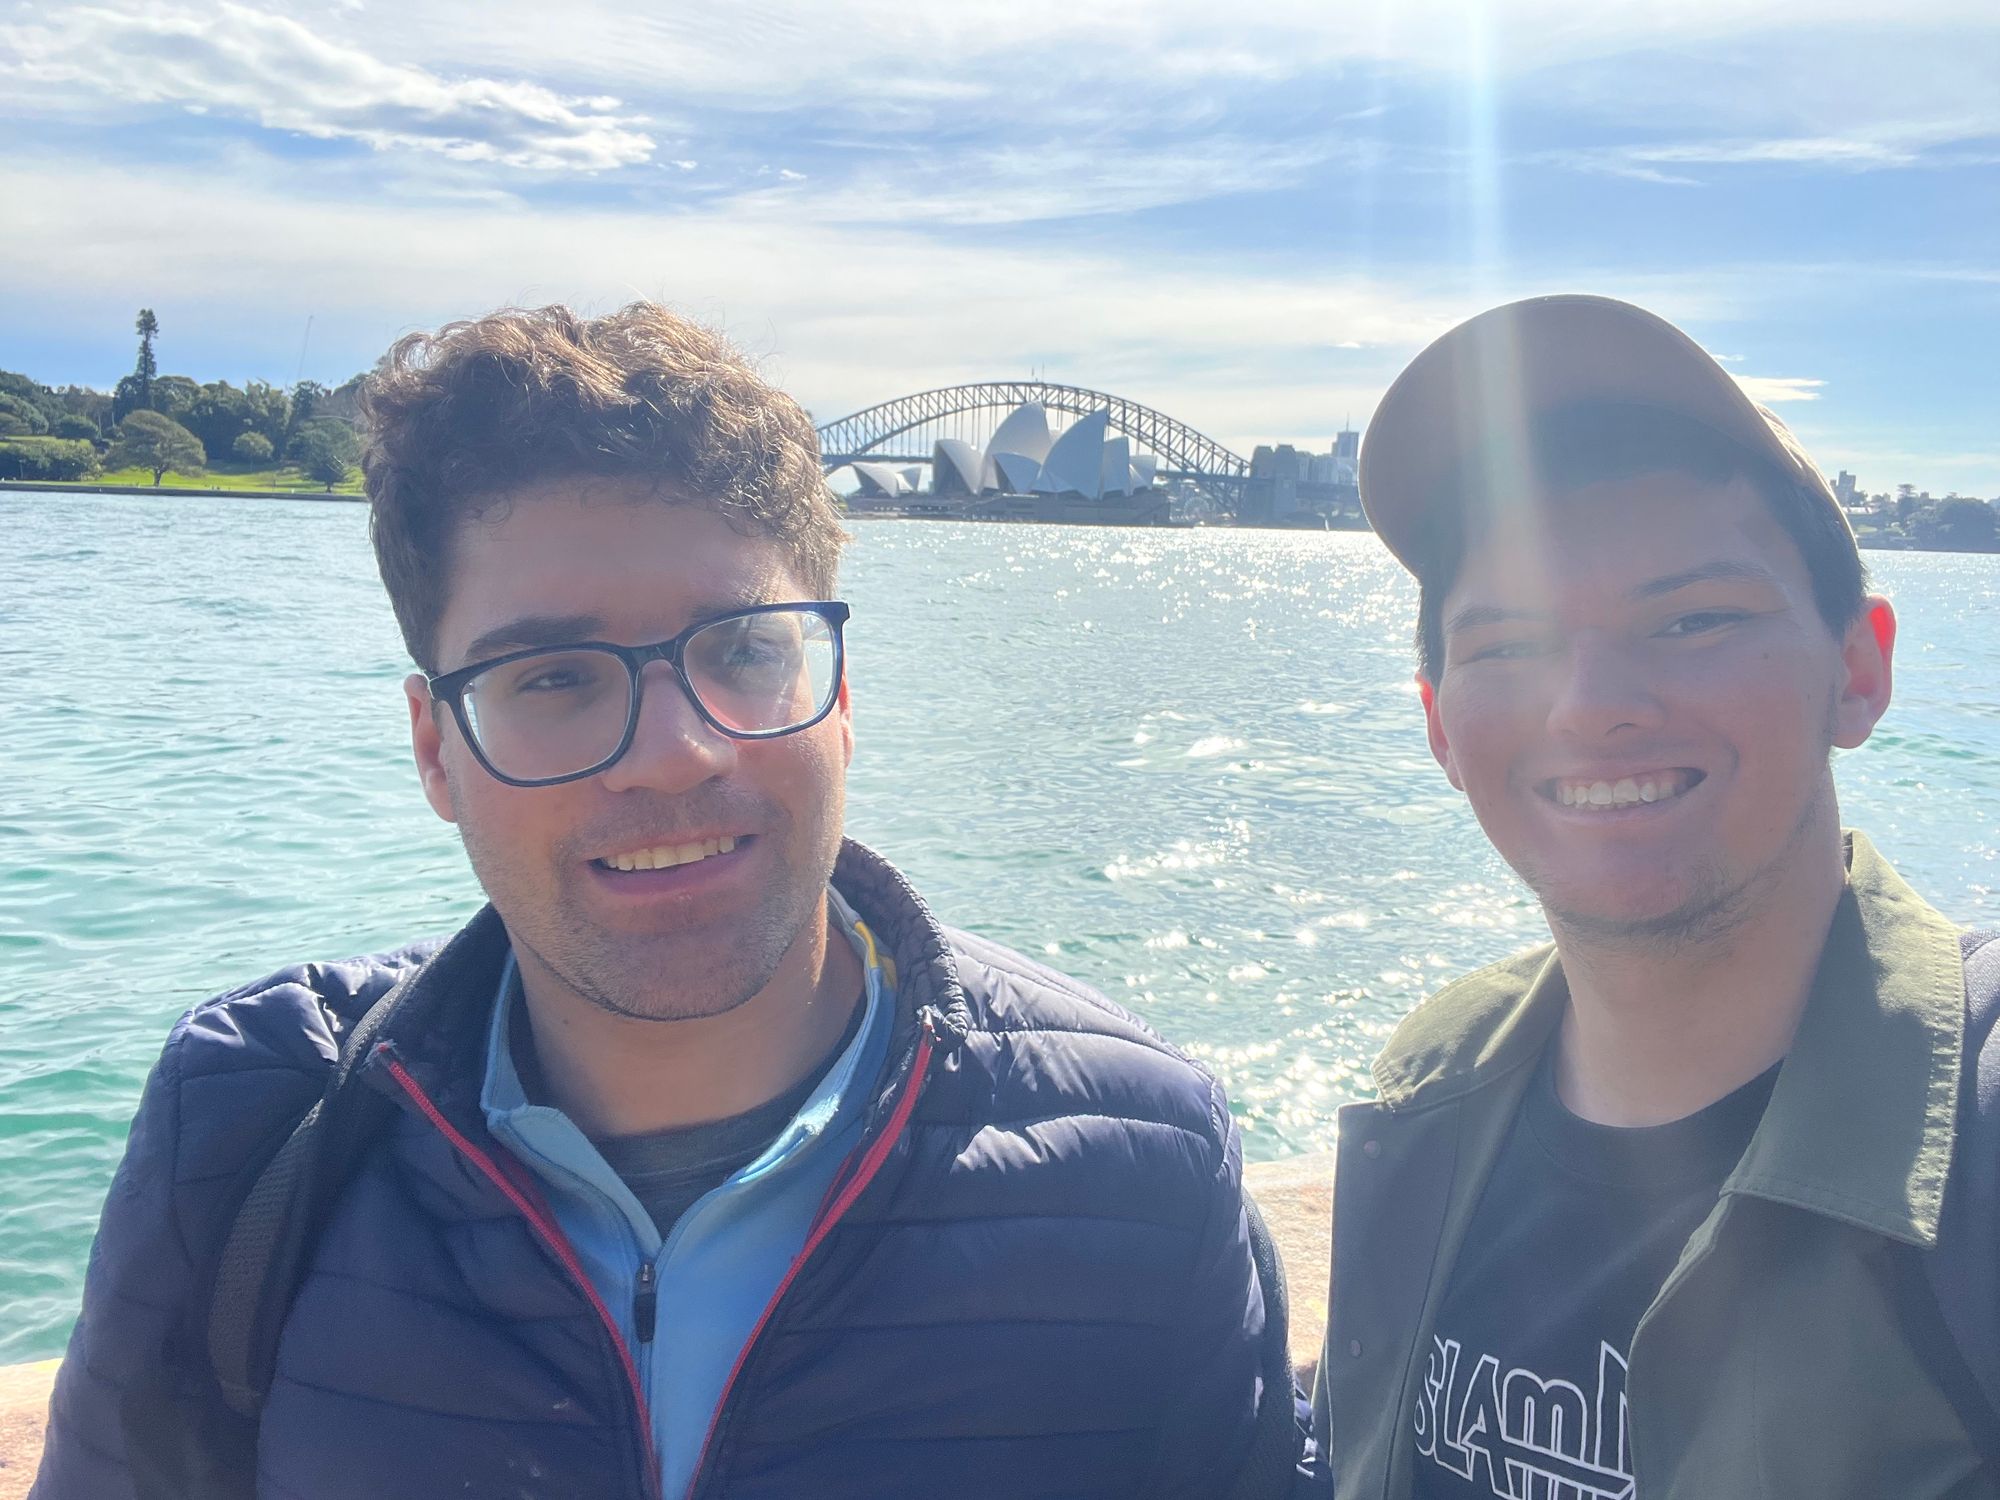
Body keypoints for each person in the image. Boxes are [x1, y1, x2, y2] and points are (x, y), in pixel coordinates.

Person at [33, 303, 1288, 1500]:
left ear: (840, 698)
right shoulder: (252, 1121)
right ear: (433, 750)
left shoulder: (1144, 1160)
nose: (676, 751)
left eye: (743, 648)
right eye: (556, 675)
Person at [1310, 294, 1998, 1498]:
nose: (1589, 704)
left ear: (1857, 669)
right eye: (1506, 644)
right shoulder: (1429, 1086)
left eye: (1691, 618)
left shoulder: (1975, 1142)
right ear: (1435, 723)